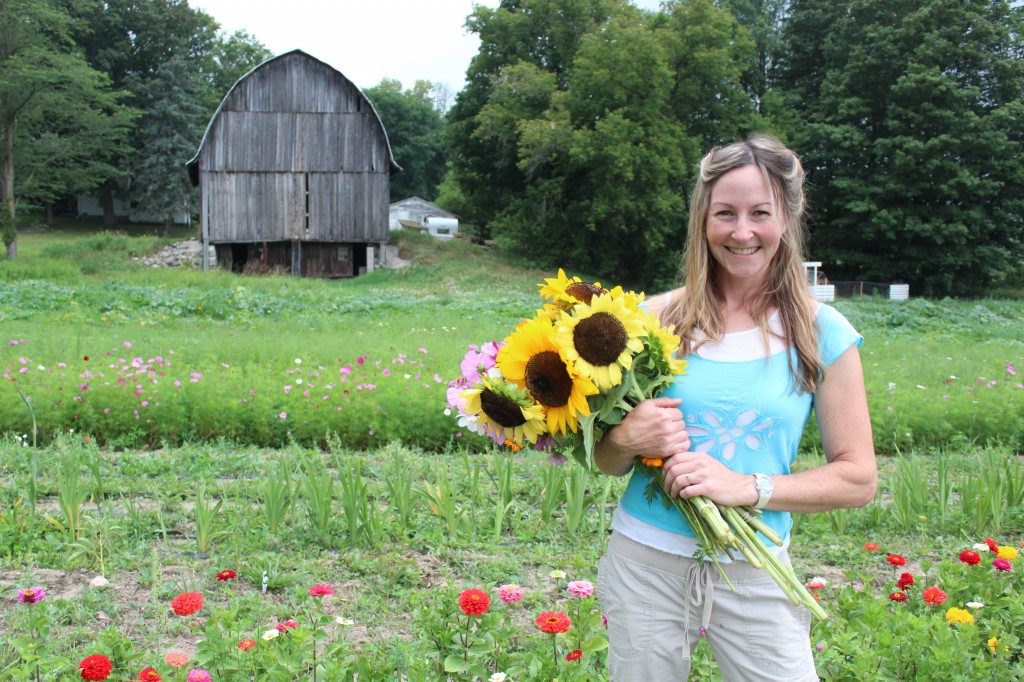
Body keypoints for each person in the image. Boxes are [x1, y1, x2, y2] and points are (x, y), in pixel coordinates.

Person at [594, 134, 877, 681]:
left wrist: (748, 487)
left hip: (756, 568)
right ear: (704, 220)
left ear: (787, 220)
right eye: (725, 213)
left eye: (759, 213)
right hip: (645, 563)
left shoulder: (820, 332)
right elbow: (608, 462)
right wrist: (625, 440)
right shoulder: (651, 322)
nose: (742, 232)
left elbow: (859, 478)